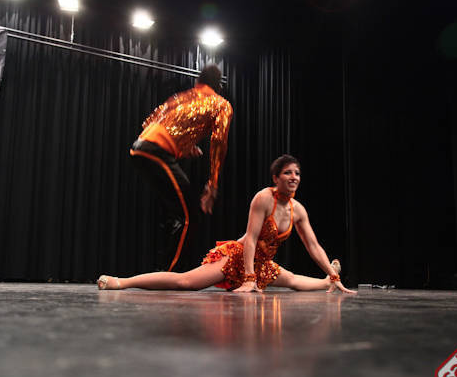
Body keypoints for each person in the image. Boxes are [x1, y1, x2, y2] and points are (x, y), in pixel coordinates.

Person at [98, 155, 356, 294]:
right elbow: (251, 239)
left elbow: (313, 245)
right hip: (238, 257)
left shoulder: (298, 210)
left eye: (297, 173)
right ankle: (122, 282)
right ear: (276, 177)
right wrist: (249, 279)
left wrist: (333, 275)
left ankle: (329, 280)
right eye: (288, 172)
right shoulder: (264, 199)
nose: (294, 177)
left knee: (294, 281)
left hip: (261, 264)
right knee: (186, 283)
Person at [130, 64, 233, 272]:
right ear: (218, 86)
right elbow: (219, 142)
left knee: (177, 213)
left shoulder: (181, 96)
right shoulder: (221, 104)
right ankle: (170, 275)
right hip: (157, 152)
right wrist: (213, 183)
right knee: (189, 216)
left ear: (198, 82)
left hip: (139, 149)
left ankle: (165, 267)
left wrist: (185, 145)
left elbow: (149, 122)